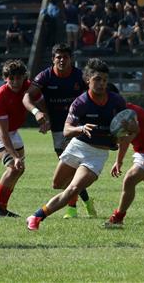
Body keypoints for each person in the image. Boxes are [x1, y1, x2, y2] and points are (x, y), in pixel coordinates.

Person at [26, 58, 129, 231]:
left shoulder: (117, 101)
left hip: (97, 154)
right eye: (97, 79)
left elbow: (128, 131)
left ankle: (36, 217)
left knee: (73, 188)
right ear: (88, 79)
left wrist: (120, 155)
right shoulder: (80, 103)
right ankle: (82, 200)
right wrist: (81, 128)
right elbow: (66, 130)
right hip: (77, 146)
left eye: (104, 80)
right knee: (57, 185)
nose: (102, 84)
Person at [22, 43, 96, 219]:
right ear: (53, 59)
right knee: (69, 172)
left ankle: (71, 209)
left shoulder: (80, 76)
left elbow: (94, 94)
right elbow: (27, 97)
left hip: (78, 126)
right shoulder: (45, 76)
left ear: (71, 59)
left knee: (71, 170)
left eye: (65, 57)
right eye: (58, 57)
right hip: (58, 129)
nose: (62, 60)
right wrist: (37, 112)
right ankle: (86, 201)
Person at [0, 60, 30, 218]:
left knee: (19, 168)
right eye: (12, 78)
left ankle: (1, 207)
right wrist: (15, 157)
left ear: (24, 77)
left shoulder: (27, 86)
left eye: (19, 78)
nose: (16, 82)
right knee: (13, 166)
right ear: (5, 78)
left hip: (12, 131)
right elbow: (2, 132)